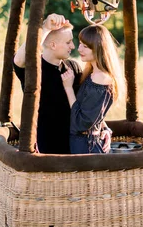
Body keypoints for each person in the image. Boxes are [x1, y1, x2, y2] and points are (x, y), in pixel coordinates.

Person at [13, 14, 82, 154]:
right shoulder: (33, 68)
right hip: (45, 145)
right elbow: (19, 60)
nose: (73, 46)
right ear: (53, 45)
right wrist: (45, 28)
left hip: (74, 143)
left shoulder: (73, 67)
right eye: (68, 42)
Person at [61, 24, 123, 154]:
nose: (79, 49)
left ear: (98, 48)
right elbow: (93, 112)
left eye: (85, 46)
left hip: (86, 147)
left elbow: (81, 122)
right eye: (80, 44)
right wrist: (104, 127)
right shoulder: (93, 73)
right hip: (82, 143)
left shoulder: (100, 78)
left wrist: (68, 88)